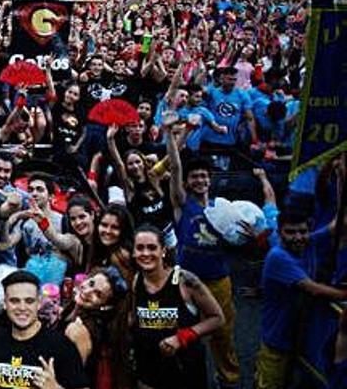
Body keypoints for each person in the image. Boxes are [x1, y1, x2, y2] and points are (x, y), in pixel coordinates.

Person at [164, 117, 241, 388]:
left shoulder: (224, 209)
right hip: (187, 280)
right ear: (187, 182)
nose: (199, 180)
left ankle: (228, 379)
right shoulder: (181, 204)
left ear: (210, 180)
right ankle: (185, 379)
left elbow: (242, 239)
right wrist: (170, 136)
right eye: (194, 176)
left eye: (204, 177)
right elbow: (174, 167)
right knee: (184, 333)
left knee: (223, 333)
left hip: (219, 279)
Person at [254, 211, 347, 389]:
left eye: (302, 231)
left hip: (297, 335)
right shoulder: (278, 257)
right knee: (270, 384)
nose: (298, 237)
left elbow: (337, 225)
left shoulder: (308, 242)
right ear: (279, 232)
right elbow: (314, 289)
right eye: (290, 232)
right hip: (277, 341)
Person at [132, 225, 225, 389]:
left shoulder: (185, 281)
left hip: (185, 372)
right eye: (140, 248)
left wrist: (182, 338)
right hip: (149, 371)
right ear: (133, 252)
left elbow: (217, 318)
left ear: (163, 251)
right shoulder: (136, 281)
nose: (145, 253)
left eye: (152, 248)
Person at [0, 270, 90, 389]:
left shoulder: (61, 346)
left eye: (29, 301)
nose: (22, 308)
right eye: (14, 301)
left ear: (38, 303)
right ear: (5, 304)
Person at [56, 267, 130, 389]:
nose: (87, 291)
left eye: (98, 294)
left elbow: (71, 380)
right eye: (91, 283)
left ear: (105, 306)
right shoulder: (74, 308)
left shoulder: (79, 331)